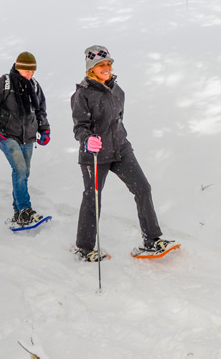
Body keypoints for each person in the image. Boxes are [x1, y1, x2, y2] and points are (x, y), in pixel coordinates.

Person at [70, 45, 172, 262]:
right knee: (93, 198)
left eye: (108, 64)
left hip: (121, 150)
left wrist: (117, 138)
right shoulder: (83, 94)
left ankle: (152, 240)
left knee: (143, 188)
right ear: (91, 68)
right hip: (95, 154)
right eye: (101, 65)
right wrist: (88, 139)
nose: (106, 68)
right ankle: (85, 247)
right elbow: (79, 127)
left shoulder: (118, 91)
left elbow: (118, 119)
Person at [0, 52, 50, 225]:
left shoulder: (33, 85)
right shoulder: (3, 83)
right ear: (18, 67)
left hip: (28, 136)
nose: (31, 74)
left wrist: (44, 129)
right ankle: (26, 208)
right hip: (6, 134)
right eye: (28, 71)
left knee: (24, 172)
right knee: (19, 169)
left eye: (33, 71)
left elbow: (40, 109)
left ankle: (18, 213)